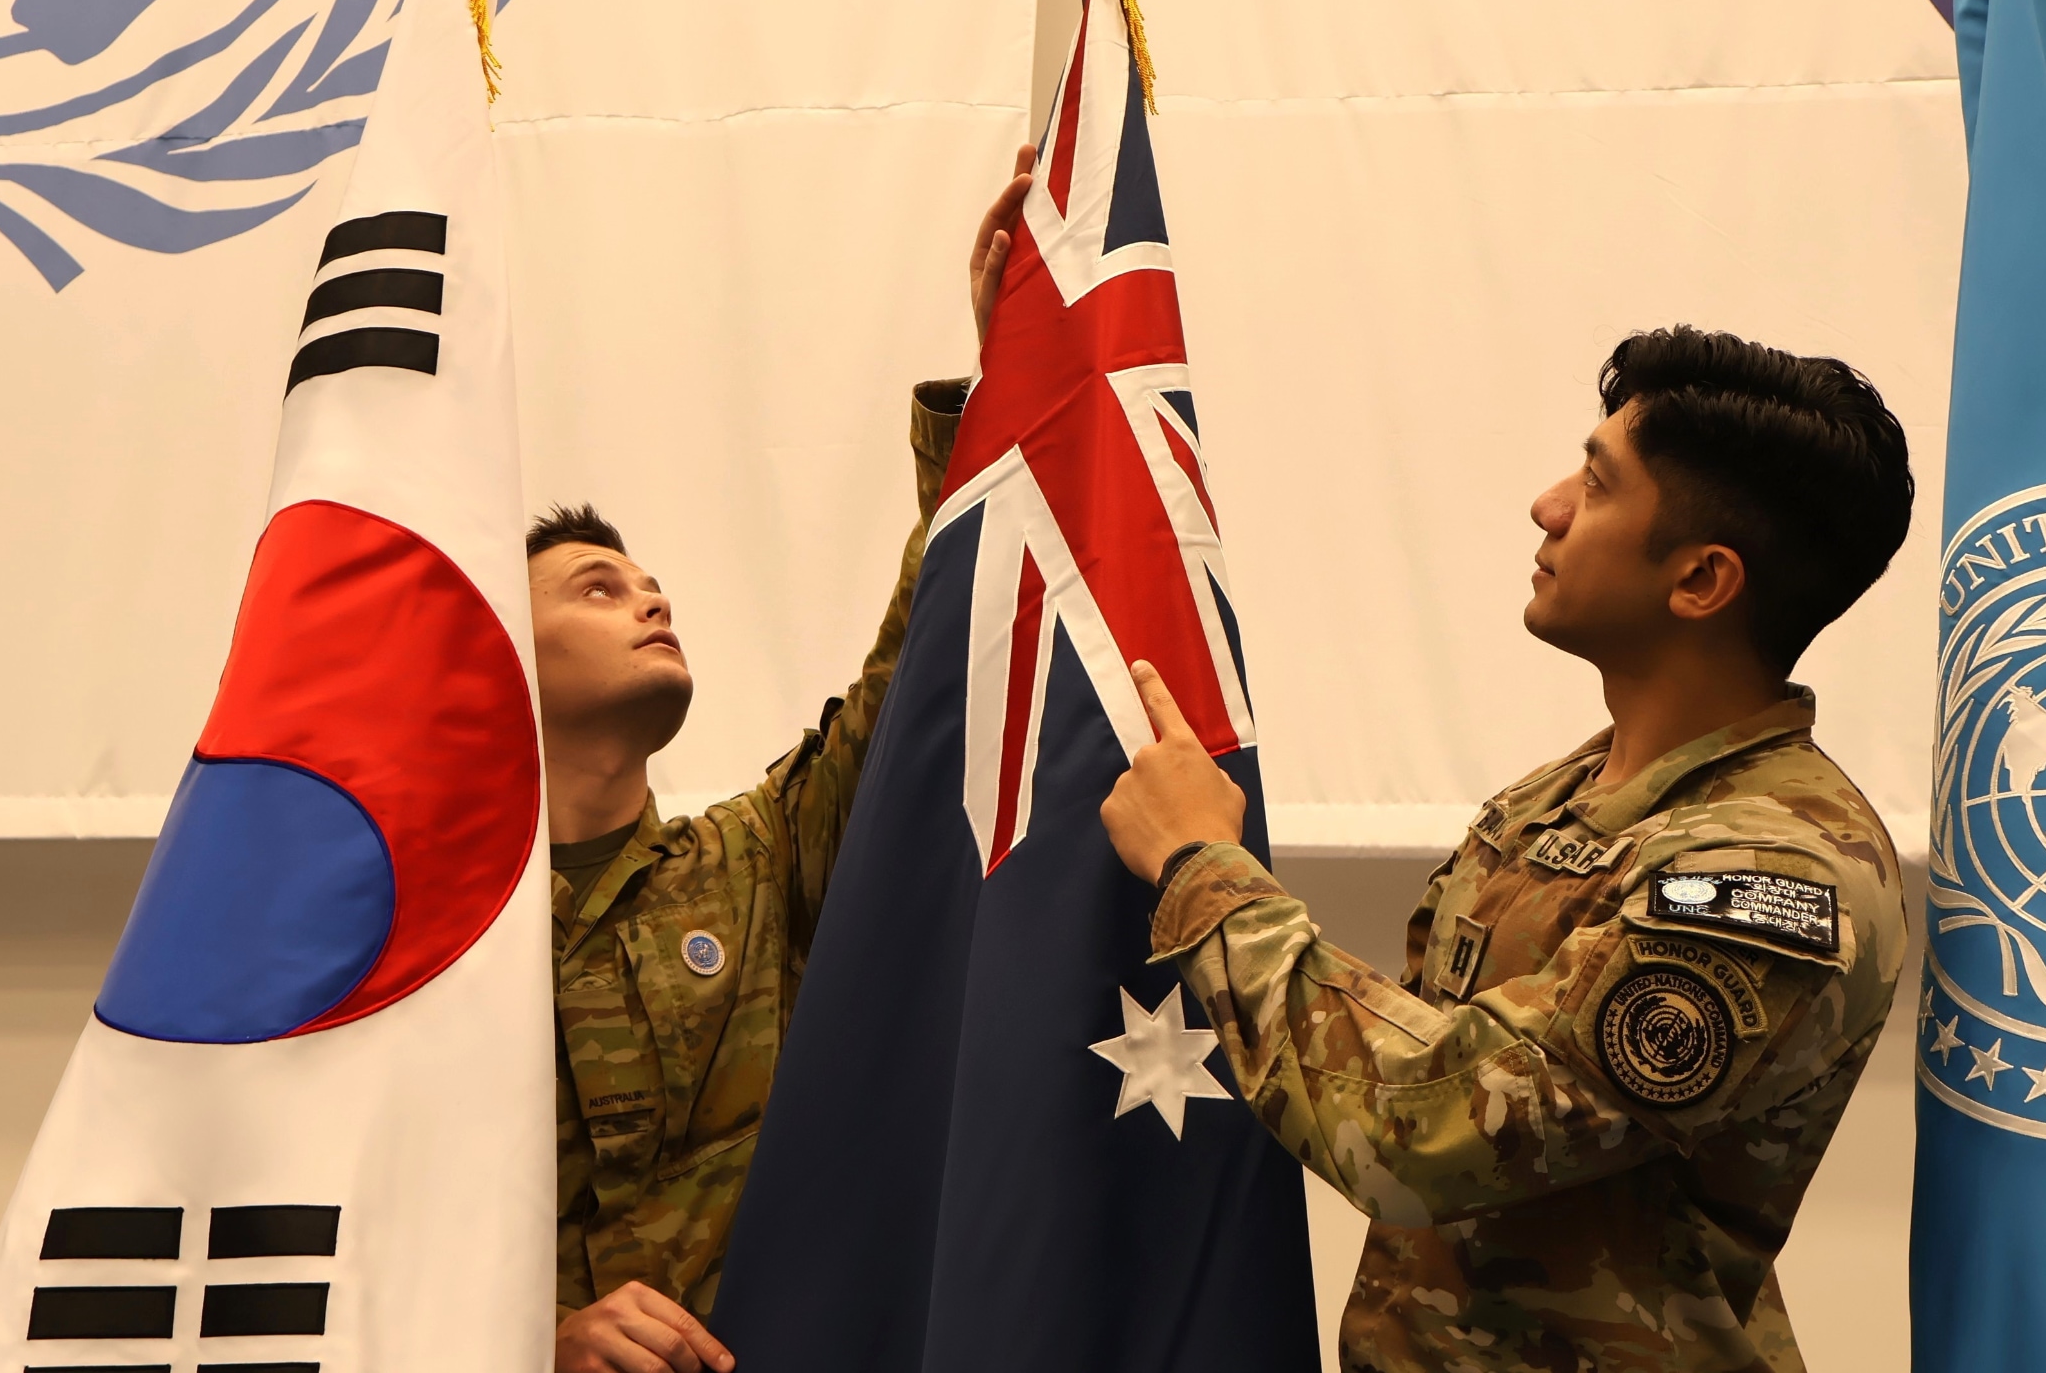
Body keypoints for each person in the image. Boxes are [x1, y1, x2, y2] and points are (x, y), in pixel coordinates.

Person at [1101, 327, 1915, 1373]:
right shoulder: (1563, 796)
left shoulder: (1772, 874)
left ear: (1702, 581)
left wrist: (1204, 874)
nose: (1548, 507)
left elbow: (1423, 1129)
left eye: (1597, 484)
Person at [543, 145, 1038, 1373]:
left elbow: (910, 681)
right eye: (600, 589)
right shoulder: (424, 924)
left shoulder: (749, 862)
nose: (652, 603)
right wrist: (527, 1338)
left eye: (655, 585)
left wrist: (1006, 384)